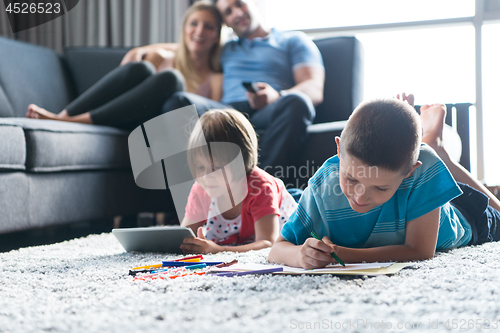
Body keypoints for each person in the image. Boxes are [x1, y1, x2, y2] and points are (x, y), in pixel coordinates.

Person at [268, 96, 500, 269]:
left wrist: (342, 254)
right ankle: (429, 143)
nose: (359, 196)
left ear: (410, 171)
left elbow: (419, 251)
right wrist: (300, 255)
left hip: (468, 217)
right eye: (351, 178)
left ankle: (439, 151)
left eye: (380, 187)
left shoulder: (423, 169)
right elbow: (277, 248)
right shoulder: (323, 182)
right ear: (338, 150)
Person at [161, 0, 325, 176]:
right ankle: (197, 195)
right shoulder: (224, 47)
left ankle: (264, 189)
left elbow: (314, 88)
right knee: (179, 102)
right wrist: (142, 50)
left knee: (299, 102)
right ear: (225, 23)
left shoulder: (292, 40)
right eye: (228, 12)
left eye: (240, 4)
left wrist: (276, 95)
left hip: (272, 109)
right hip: (228, 111)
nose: (237, 13)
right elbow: (189, 44)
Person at [25, 1, 224, 131]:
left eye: (208, 26)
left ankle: (67, 122)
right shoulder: (162, 56)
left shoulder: (215, 78)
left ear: (217, 36)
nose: (199, 31)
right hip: (125, 115)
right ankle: (62, 116)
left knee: (172, 79)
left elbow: (212, 123)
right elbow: (131, 84)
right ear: (184, 29)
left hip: (155, 126)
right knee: (141, 69)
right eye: (193, 24)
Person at [179, 108, 298, 254]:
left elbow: (268, 243)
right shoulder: (201, 189)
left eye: (216, 167)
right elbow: (184, 236)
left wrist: (219, 250)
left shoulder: (260, 187)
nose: (206, 176)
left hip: (286, 207)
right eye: (200, 167)